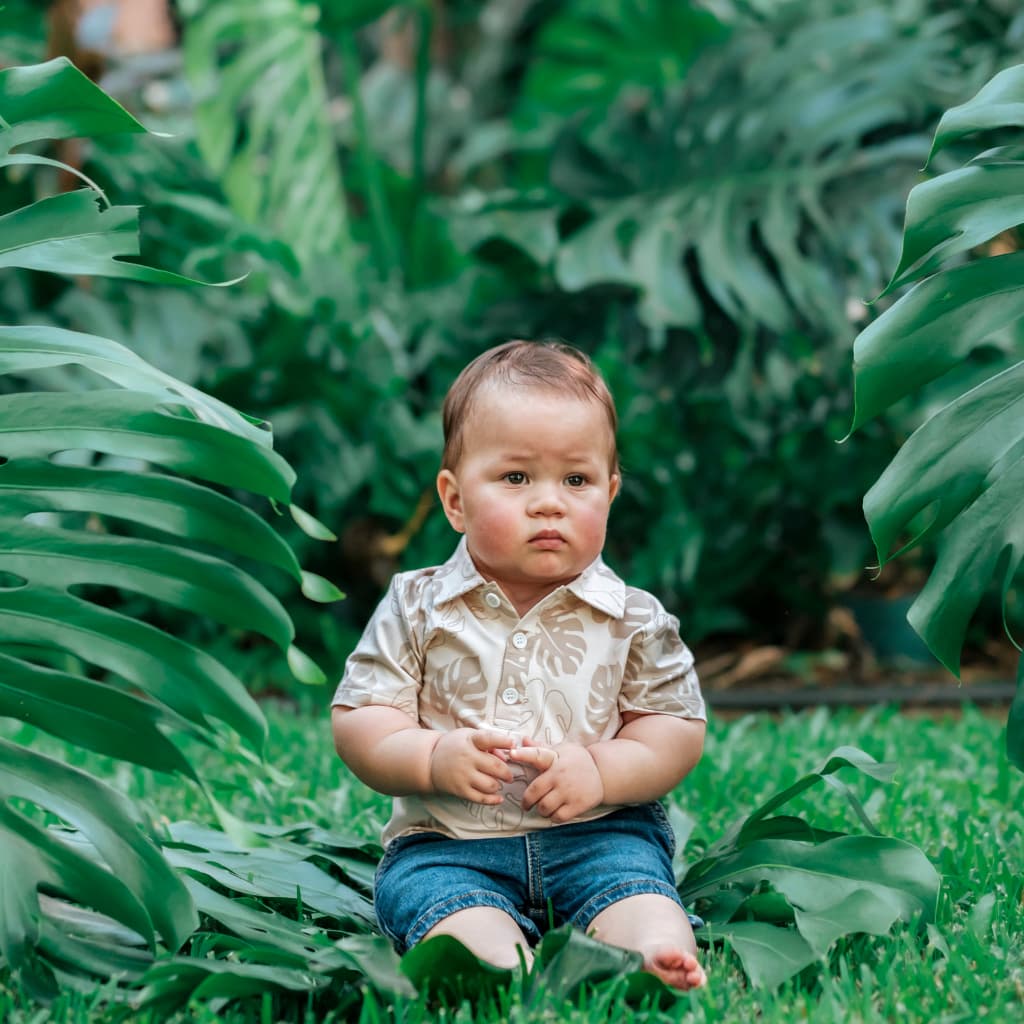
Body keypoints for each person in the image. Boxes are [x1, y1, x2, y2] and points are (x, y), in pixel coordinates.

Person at [331, 340, 707, 990]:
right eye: (515, 478)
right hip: (449, 845)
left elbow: (674, 729)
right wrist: (430, 757)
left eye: (576, 481)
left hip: (600, 835)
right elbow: (362, 719)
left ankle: (651, 953)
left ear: (610, 492)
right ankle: (495, 962)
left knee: (637, 890)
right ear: (455, 500)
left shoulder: (634, 618)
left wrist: (600, 769)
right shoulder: (417, 607)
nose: (548, 503)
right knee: (442, 905)